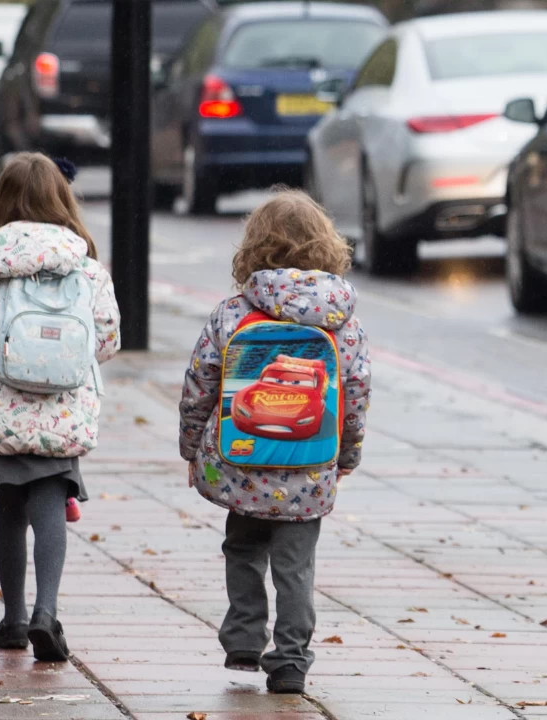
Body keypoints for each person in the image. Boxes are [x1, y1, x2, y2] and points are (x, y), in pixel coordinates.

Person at [178, 189, 371, 694]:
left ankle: (243, 637)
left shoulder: (233, 312)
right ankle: (289, 660)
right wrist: (346, 454)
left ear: (254, 247)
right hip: (308, 465)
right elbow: (354, 393)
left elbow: (200, 385)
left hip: (242, 461)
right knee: (295, 566)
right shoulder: (342, 322)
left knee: (241, 547)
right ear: (326, 246)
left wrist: (192, 447)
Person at [0, 153, 120, 662]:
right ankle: (47, 612)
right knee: (50, 505)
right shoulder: (85, 265)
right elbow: (106, 341)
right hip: (61, 410)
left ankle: (13, 620)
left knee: (10, 510)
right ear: (62, 197)